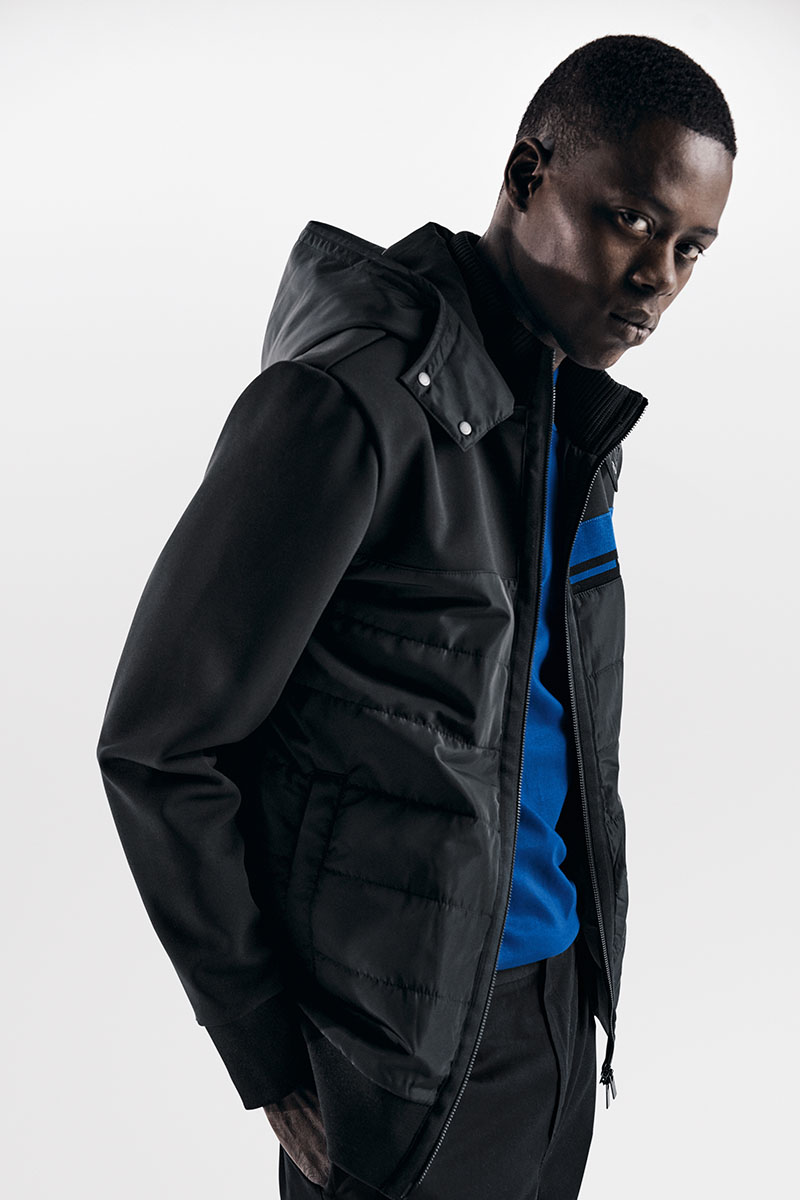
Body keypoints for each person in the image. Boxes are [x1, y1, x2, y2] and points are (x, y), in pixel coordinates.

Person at [97, 34, 735, 1200]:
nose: (656, 278)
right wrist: (264, 1052)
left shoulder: (566, 407)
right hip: (401, 1055)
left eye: (689, 248)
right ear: (527, 174)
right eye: (631, 221)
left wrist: (576, 998)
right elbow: (160, 744)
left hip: (556, 1016)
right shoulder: (350, 405)